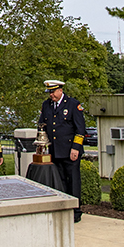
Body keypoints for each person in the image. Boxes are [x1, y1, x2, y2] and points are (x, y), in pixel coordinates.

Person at [37, 79, 87, 223]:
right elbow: (43, 126)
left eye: (53, 92)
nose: (51, 95)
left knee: (73, 181)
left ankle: (76, 211)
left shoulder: (72, 104)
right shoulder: (46, 105)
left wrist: (76, 148)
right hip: (54, 150)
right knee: (59, 181)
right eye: (49, 93)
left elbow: (80, 129)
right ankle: (64, 207)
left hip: (70, 150)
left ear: (60, 90)